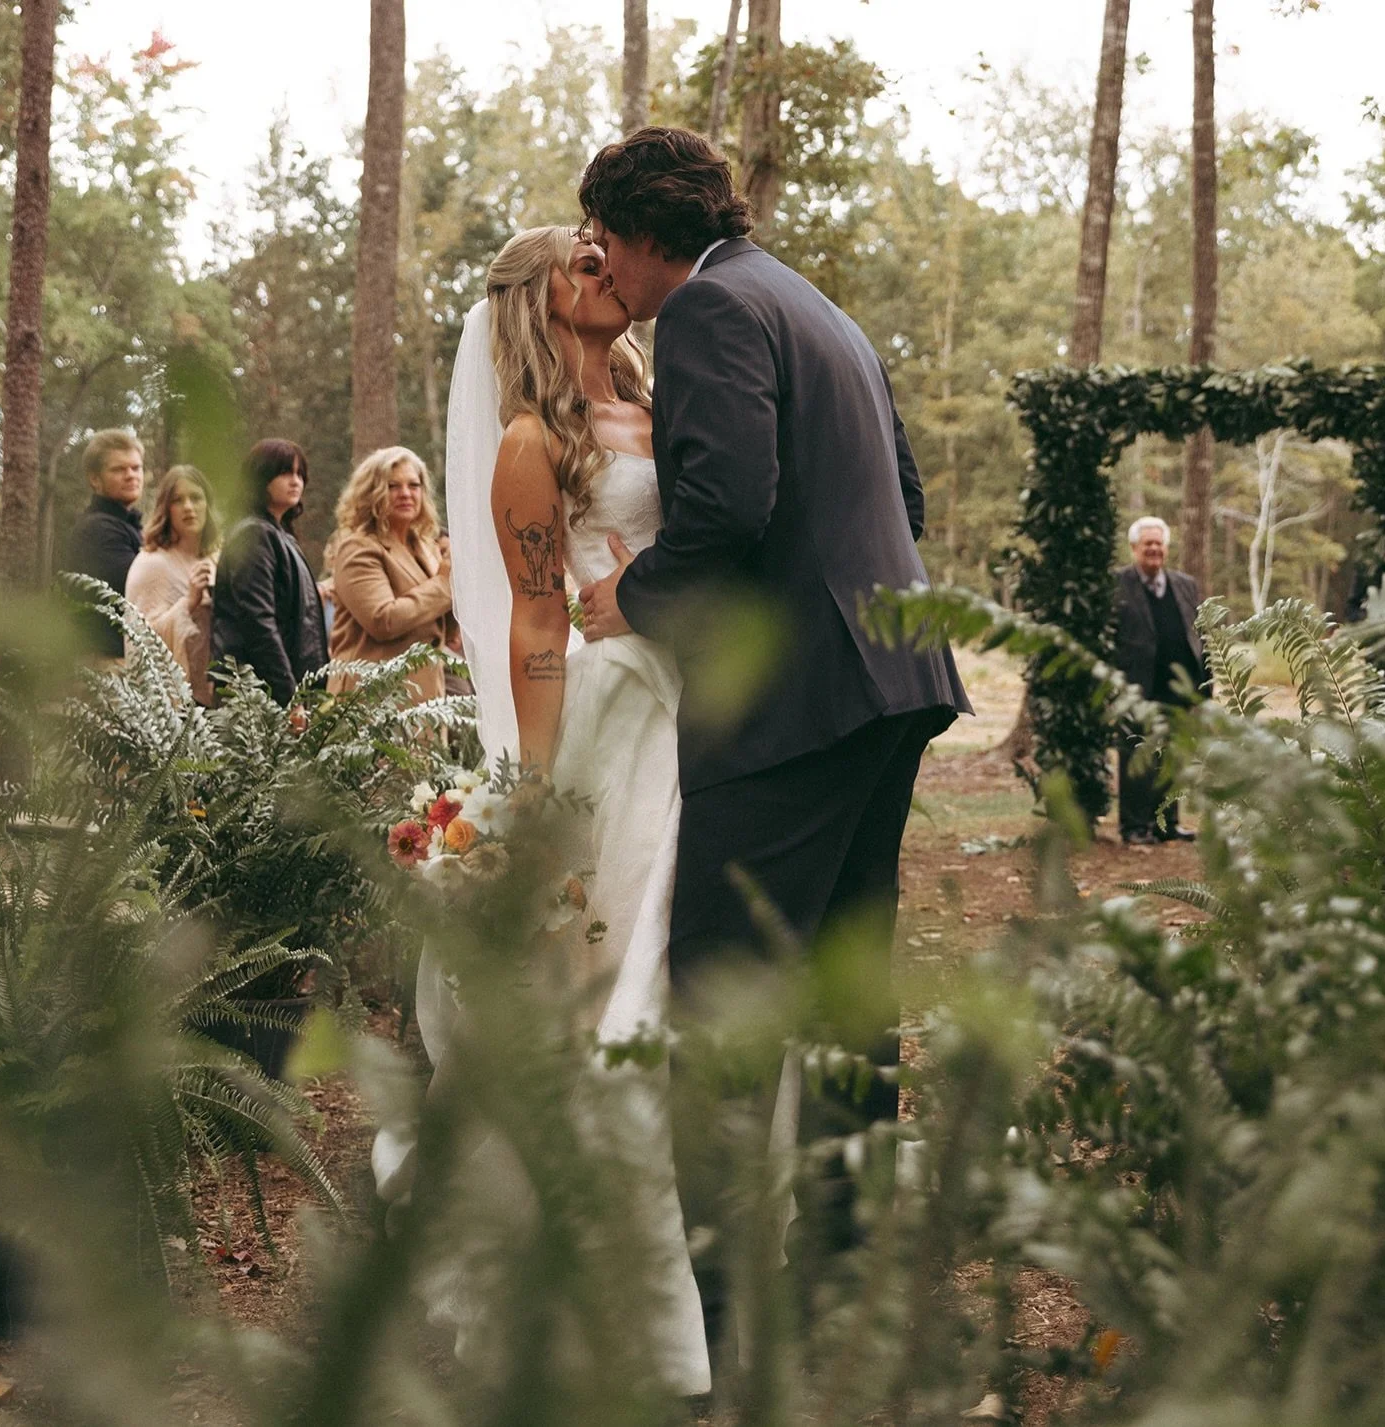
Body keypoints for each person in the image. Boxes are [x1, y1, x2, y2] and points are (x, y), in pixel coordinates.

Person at [574, 126, 970, 1350]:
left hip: (794, 706)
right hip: (892, 676)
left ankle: (723, 1299)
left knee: (722, 994)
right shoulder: (815, 305)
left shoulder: (704, 313)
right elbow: (900, 497)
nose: (606, 272)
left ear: (649, 235)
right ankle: (845, 1266)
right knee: (848, 984)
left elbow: (726, 504)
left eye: (606, 244)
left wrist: (628, 597)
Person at [375, 225, 712, 1397]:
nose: (605, 270)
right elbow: (530, 621)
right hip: (614, 722)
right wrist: (539, 790)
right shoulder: (531, 443)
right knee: (611, 993)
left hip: (707, 702)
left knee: (689, 971)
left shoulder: (669, 408)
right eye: (582, 261)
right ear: (540, 299)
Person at [326, 446, 458, 705]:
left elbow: (442, 628)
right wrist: (443, 583)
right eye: (393, 486)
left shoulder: (425, 546)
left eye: (414, 485)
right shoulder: (358, 548)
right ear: (371, 493)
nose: (406, 494)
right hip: (371, 702)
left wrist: (461, 582)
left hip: (425, 697)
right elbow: (383, 619)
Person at [211, 439, 328, 707]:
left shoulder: (279, 535)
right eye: (285, 472)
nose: (295, 481)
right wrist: (289, 695)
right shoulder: (254, 534)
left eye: (300, 474)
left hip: (277, 691)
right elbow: (258, 621)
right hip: (258, 695)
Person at [1113, 516, 1206, 844]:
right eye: (1147, 544)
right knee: (1136, 757)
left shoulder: (1185, 584)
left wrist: (1204, 687)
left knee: (1172, 757)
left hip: (1178, 688)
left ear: (1166, 548)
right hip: (1137, 686)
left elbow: (1199, 635)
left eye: (1159, 543)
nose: (1154, 549)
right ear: (1134, 548)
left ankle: (1168, 824)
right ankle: (1135, 827)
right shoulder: (1117, 583)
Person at [124, 465, 219, 704]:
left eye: (196, 498)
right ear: (166, 509)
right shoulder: (151, 564)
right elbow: (140, 642)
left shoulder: (218, 557)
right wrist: (187, 604)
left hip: (219, 695)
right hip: (177, 705)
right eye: (178, 500)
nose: (188, 506)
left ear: (207, 504)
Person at [61, 429, 145, 658]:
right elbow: (141, 591)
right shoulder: (98, 530)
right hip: (105, 665)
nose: (131, 475)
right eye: (118, 469)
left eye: (136, 468)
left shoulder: (127, 524)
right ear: (94, 479)